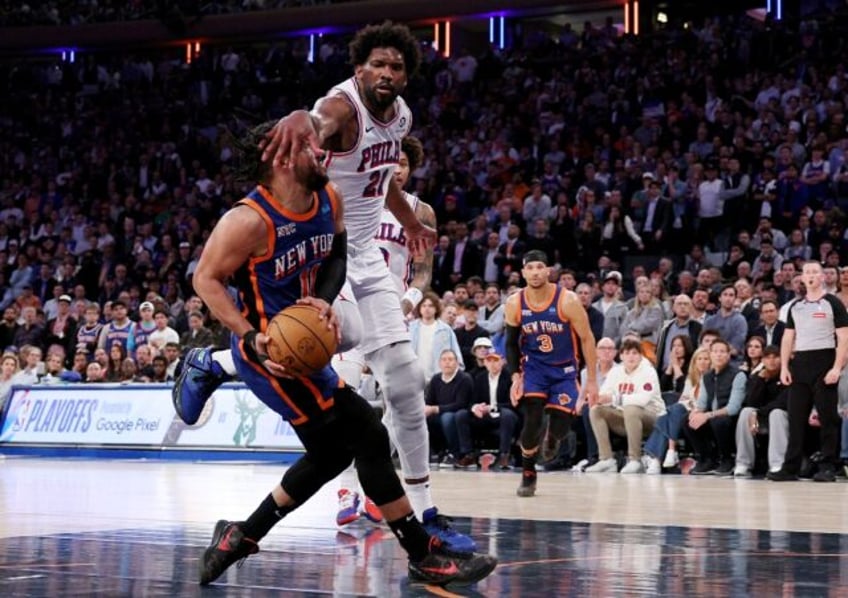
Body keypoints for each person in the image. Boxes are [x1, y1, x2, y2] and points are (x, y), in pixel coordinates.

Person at [174, 22, 475, 553]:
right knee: (338, 339)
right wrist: (300, 117)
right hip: (323, 252)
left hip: (367, 257)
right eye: (377, 64)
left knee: (405, 382)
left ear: (407, 75)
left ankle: (427, 512)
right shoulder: (340, 108)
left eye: (397, 66)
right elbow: (316, 120)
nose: (387, 73)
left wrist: (408, 220)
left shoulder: (400, 116)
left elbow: (381, 183)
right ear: (358, 68)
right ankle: (218, 362)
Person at [505, 250, 598, 497]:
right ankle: (528, 474)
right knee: (532, 418)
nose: (535, 272)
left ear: (548, 271)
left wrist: (592, 381)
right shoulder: (515, 302)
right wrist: (516, 377)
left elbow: (587, 338)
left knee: (561, 424)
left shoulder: (567, 300)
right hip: (534, 368)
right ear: (523, 272)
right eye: (530, 267)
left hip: (565, 371)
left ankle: (554, 436)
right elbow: (511, 343)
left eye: (539, 267)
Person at [770, 261, 848, 482]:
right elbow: (787, 338)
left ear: (823, 277)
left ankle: (828, 466)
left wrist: (836, 367)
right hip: (801, 363)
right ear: (802, 278)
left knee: (828, 417)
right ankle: (790, 466)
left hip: (825, 362)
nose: (811, 276)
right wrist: (784, 367)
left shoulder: (833, 303)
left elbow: (844, 337)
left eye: (815, 272)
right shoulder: (796, 307)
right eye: (807, 273)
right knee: (796, 418)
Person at [585, 339, 665, 474]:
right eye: (627, 353)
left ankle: (635, 460)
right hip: (626, 417)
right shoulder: (616, 372)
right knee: (596, 411)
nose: (631, 357)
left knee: (631, 408)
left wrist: (614, 398)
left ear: (641, 356)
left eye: (635, 353)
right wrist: (599, 398)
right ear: (621, 356)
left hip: (653, 418)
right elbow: (605, 393)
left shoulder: (648, 372)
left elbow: (642, 400)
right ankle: (606, 459)